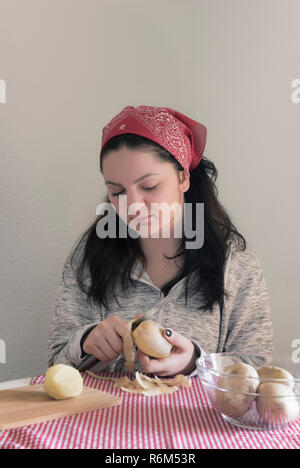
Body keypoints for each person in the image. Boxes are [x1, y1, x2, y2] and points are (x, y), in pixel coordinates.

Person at [47, 105, 273, 378]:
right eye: (117, 191)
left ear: (183, 178)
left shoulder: (237, 266)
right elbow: (55, 366)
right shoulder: (88, 259)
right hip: (103, 420)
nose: (133, 206)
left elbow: (257, 372)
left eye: (149, 186)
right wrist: (84, 343)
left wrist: (195, 362)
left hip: (193, 422)